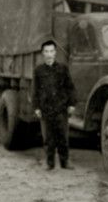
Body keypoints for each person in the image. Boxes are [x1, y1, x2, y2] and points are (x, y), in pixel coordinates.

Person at [31, 39, 76, 170]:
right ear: (43, 53)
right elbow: (35, 90)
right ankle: (50, 163)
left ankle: (65, 162)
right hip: (46, 109)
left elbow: (70, 87)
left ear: (55, 53)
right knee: (48, 138)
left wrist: (71, 104)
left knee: (63, 136)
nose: (49, 54)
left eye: (51, 51)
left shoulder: (63, 69)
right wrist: (36, 107)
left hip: (61, 108)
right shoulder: (38, 71)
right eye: (46, 51)